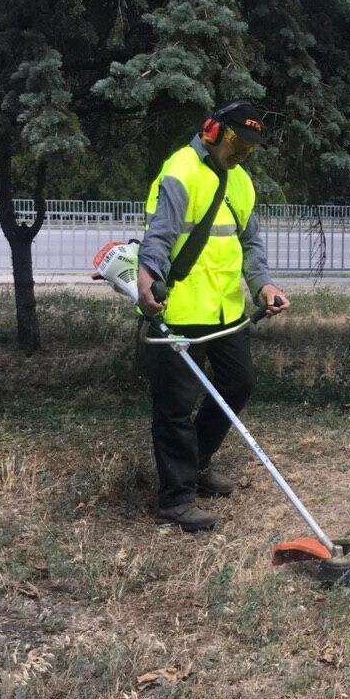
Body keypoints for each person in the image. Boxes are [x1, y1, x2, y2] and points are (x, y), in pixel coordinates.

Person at [135, 101, 290, 532]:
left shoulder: (241, 183)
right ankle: (176, 498)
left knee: (237, 385)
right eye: (239, 142)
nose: (243, 153)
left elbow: (250, 242)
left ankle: (197, 463)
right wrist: (149, 280)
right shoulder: (181, 170)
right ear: (214, 132)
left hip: (226, 309)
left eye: (251, 147)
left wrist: (264, 285)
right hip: (178, 309)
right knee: (175, 406)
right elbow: (160, 234)